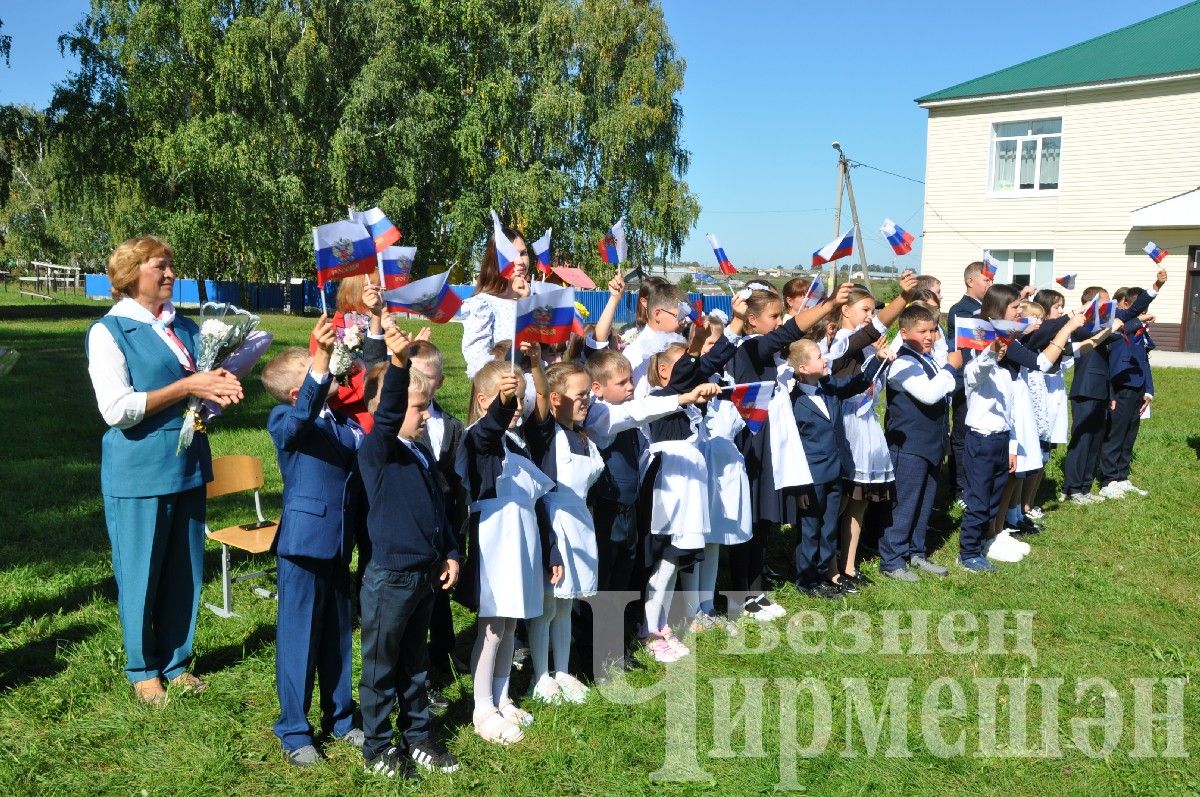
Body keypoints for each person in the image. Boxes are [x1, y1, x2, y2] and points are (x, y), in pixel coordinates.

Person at [86, 236, 243, 705]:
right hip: (138, 472)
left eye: (173, 265)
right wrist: (188, 386)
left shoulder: (189, 330)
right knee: (140, 571)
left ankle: (176, 661)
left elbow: (201, 388)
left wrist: (219, 393)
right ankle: (142, 667)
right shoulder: (109, 332)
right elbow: (116, 410)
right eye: (162, 266)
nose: (172, 274)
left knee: (184, 570)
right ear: (133, 274)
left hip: (188, 465)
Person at [357, 326, 461, 779]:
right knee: (382, 665)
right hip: (390, 579)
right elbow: (389, 411)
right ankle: (378, 745)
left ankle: (417, 735)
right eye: (417, 408)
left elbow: (440, 508)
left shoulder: (418, 452)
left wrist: (451, 552)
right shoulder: (378, 451)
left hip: (424, 575)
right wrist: (398, 365)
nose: (424, 415)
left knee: (415, 663)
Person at [262, 317, 363, 766]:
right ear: (294, 390)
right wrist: (320, 364)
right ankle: (294, 730)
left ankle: (340, 717)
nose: (322, 367)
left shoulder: (336, 420)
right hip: (302, 546)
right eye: (311, 367)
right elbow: (301, 416)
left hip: (338, 542)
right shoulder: (286, 419)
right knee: (300, 638)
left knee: (337, 636)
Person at [727, 285, 849, 619]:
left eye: (781, 315)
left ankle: (757, 584)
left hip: (775, 444)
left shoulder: (772, 354)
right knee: (751, 520)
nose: (780, 322)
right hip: (756, 443)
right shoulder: (752, 348)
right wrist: (830, 304)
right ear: (751, 321)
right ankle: (744, 594)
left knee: (765, 520)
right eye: (774, 316)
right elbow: (792, 330)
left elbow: (797, 334)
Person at [457, 360, 553, 745]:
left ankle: (502, 694)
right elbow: (487, 433)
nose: (516, 408)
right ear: (484, 401)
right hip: (494, 546)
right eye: (507, 401)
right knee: (493, 628)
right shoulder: (476, 441)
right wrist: (501, 406)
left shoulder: (518, 444)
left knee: (512, 624)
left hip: (522, 546)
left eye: (519, 401)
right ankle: (482, 707)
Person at [786, 339, 890, 598]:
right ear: (803, 367)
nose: (825, 360)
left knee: (829, 525)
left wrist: (878, 359)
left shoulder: (827, 387)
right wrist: (797, 482)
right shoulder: (793, 402)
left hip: (835, 471)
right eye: (819, 356)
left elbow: (856, 383)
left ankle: (824, 573)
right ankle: (806, 580)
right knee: (810, 527)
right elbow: (792, 445)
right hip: (810, 477)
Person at [1061, 270, 1162, 504]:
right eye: (1107, 302)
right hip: (1085, 389)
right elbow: (1107, 332)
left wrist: (1154, 288)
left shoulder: (1104, 324)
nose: (1113, 307)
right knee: (1082, 439)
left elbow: (1125, 320)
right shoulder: (1082, 324)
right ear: (1093, 303)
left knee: (1095, 439)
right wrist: (1133, 321)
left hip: (1102, 390)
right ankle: (1072, 488)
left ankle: (1085, 488)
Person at [878, 304, 961, 582]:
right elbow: (929, 393)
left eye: (933, 330)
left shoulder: (926, 359)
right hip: (909, 446)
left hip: (931, 444)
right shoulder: (902, 363)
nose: (929, 336)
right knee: (905, 504)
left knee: (925, 501)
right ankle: (892, 559)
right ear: (904, 332)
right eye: (922, 331)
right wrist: (950, 367)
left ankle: (916, 551)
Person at [1097, 273, 1166, 498]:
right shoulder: (1116, 324)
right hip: (1121, 385)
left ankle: (1121, 475)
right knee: (1116, 432)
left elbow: (1144, 361)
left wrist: (1149, 390)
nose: (1143, 315)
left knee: (1130, 433)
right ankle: (1108, 479)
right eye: (1139, 310)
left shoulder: (1141, 332)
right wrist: (1154, 290)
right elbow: (1119, 331)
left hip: (1137, 386)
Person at [945, 262, 994, 506]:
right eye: (986, 280)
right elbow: (977, 338)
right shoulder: (961, 310)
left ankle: (975, 483)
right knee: (963, 435)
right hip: (965, 380)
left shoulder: (984, 308)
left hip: (983, 379)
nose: (990, 284)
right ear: (970, 281)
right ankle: (959, 488)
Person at [460, 221, 532, 378]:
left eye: (523, 253)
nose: (520, 261)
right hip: (503, 389)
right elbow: (477, 361)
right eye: (512, 255)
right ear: (496, 260)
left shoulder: (535, 297)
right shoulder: (483, 304)